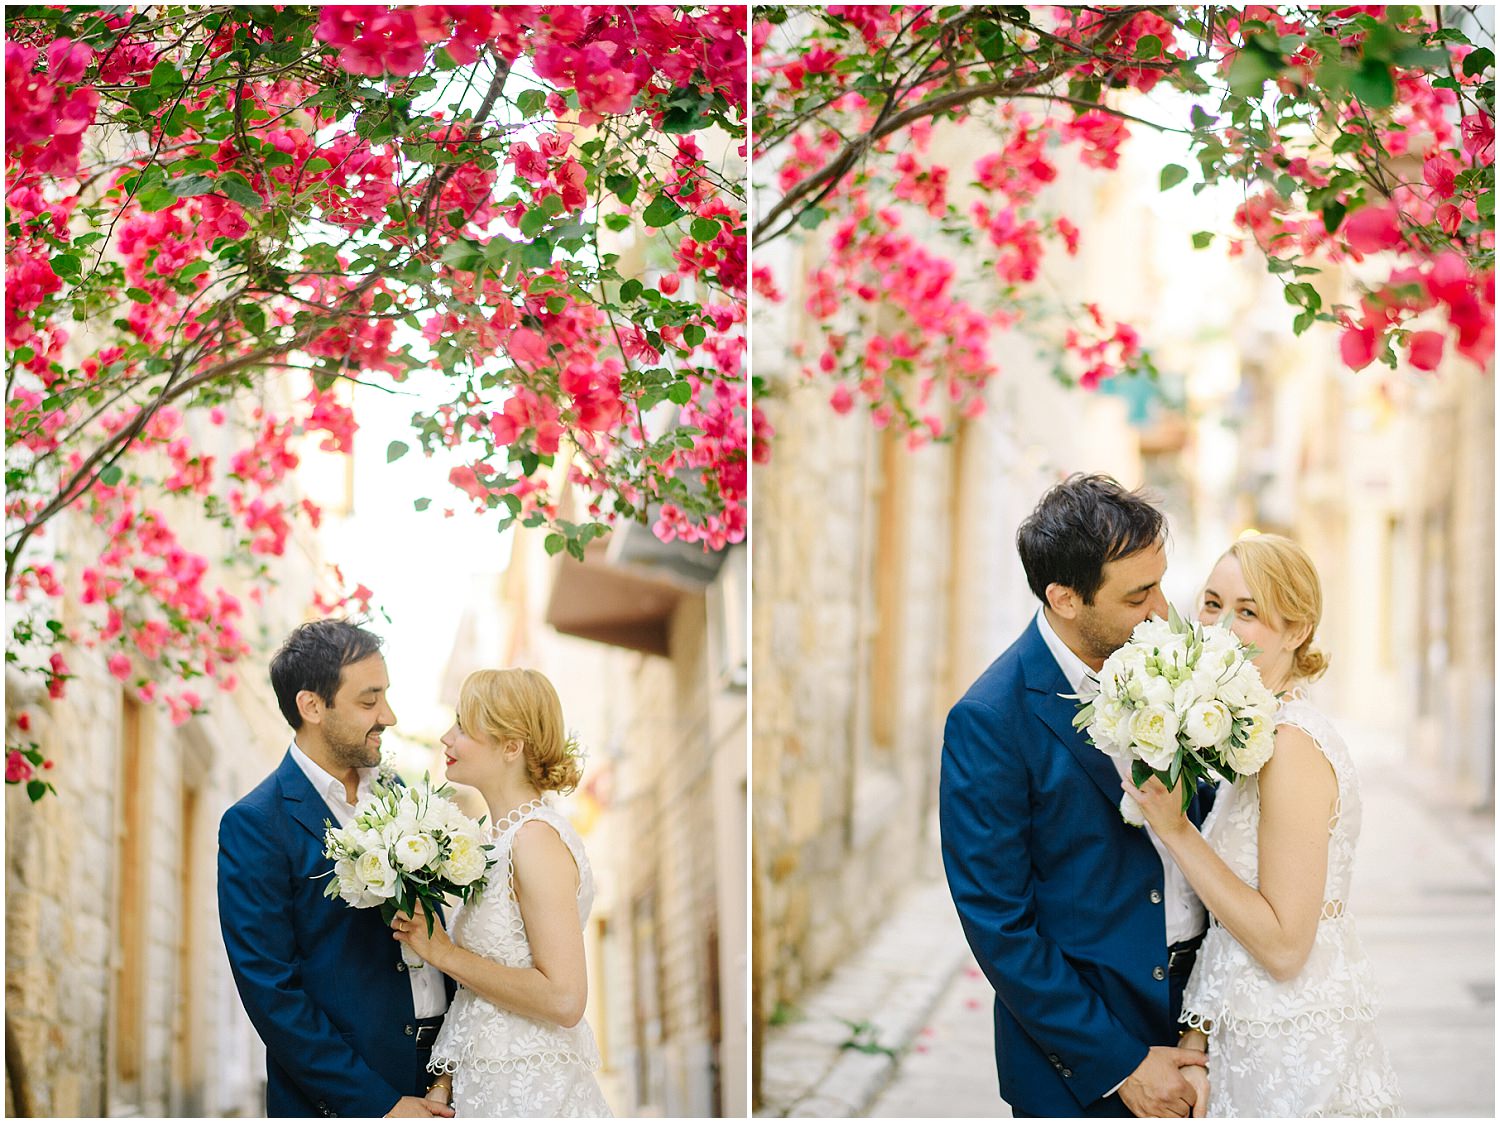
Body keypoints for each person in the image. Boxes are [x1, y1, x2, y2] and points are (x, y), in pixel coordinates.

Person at [940, 473, 1214, 1118]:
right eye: (1137, 595)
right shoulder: (989, 718)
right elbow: (998, 921)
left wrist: (1209, 1017)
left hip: (1210, 1018)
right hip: (1079, 1061)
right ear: (1065, 598)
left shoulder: (1174, 666)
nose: (1160, 610)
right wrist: (1119, 1062)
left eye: (1161, 583)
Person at [1125, 534, 1402, 1117]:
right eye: (1212, 603)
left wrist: (1178, 832)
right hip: (1241, 1038)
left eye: (1248, 611)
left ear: (1297, 630)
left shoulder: (1292, 746)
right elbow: (1227, 927)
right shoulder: (1251, 735)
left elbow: (1282, 947)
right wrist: (1197, 1046)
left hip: (1290, 1052)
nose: (1222, 625)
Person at [217, 619, 456, 1118]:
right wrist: (380, 1105)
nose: (388, 716)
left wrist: (449, 1068)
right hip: (344, 1098)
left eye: (386, 696)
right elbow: (271, 992)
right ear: (312, 706)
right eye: (368, 701)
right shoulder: (256, 824)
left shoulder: (404, 800)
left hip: (448, 1080)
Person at [394, 668, 612, 1118]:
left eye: (462, 727)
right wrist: (444, 1083)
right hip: (487, 1088)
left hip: (534, 1092)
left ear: (511, 746)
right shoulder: (494, 842)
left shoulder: (535, 840)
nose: (445, 738)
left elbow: (565, 999)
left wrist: (445, 953)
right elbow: (483, 992)